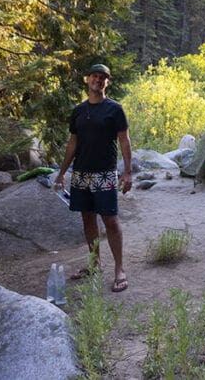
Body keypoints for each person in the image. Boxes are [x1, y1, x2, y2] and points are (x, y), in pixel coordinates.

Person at [54, 64, 133, 293]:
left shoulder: (114, 109)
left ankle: (119, 269)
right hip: (81, 173)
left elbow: (124, 140)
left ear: (106, 83)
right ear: (87, 80)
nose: (98, 80)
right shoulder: (79, 111)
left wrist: (127, 172)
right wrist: (61, 173)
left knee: (110, 220)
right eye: (94, 77)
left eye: (102, 78)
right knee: (87, 218)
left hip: (105, 173)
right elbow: (73, 143)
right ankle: (94, 263)